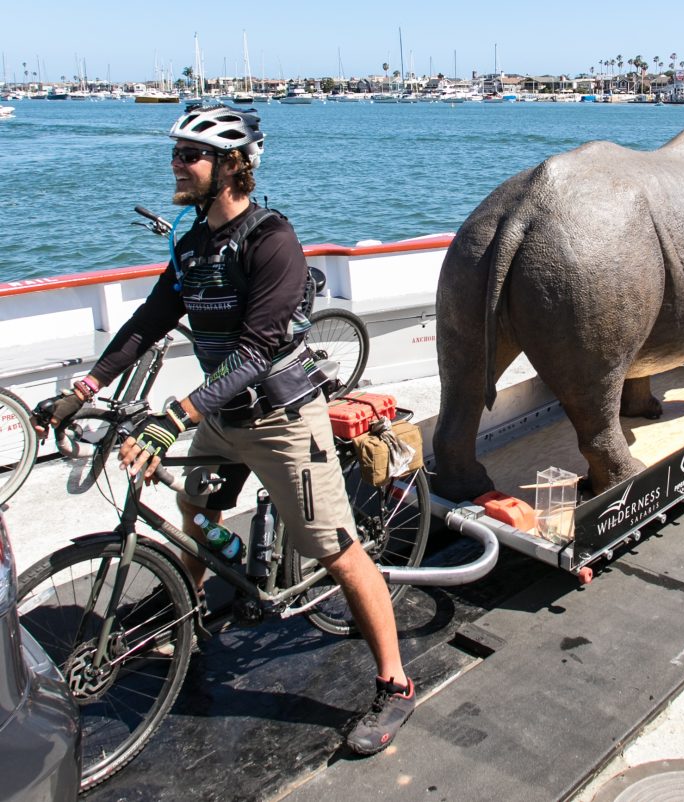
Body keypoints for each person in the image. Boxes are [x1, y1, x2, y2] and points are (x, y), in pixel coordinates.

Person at [33, 104, 414, 755]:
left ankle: (395, 684)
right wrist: (84, 389)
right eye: (177, 151)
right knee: (194, 507)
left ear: (233, 164)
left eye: (191, 154)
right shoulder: (193, 243)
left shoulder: (272, 240)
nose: (177, 163)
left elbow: (256, 352)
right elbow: (146, 323)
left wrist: (173, 418)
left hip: (281, 421)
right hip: (220, 416)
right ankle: (201, 603)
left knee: (336, 548)